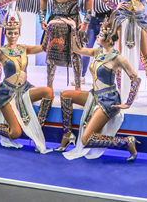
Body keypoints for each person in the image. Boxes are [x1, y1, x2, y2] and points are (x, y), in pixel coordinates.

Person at [56, 13, 141, 161]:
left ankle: (126, 142)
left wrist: (128, 102)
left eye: (100, 35)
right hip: (95, 95)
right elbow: (76, 48)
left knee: (85, 139)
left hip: (108, 101)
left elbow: (135, 78)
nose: (97, 36)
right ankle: (67, 134)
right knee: (65, 95)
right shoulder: (97, 52)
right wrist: (73, 28)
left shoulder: (117, 58)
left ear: (109, 39)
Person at [0, 10, 53, 153]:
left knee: (48, 92)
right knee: (15, 133)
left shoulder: (24, 49)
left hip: (24, 89)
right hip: (7, 93)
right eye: (10, 33)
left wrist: (49, 29)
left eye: (15, 33)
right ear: (5, 33)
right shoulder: (0, 51)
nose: (13, 36)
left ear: (19, 33)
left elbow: (44, 47)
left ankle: (36, 131)